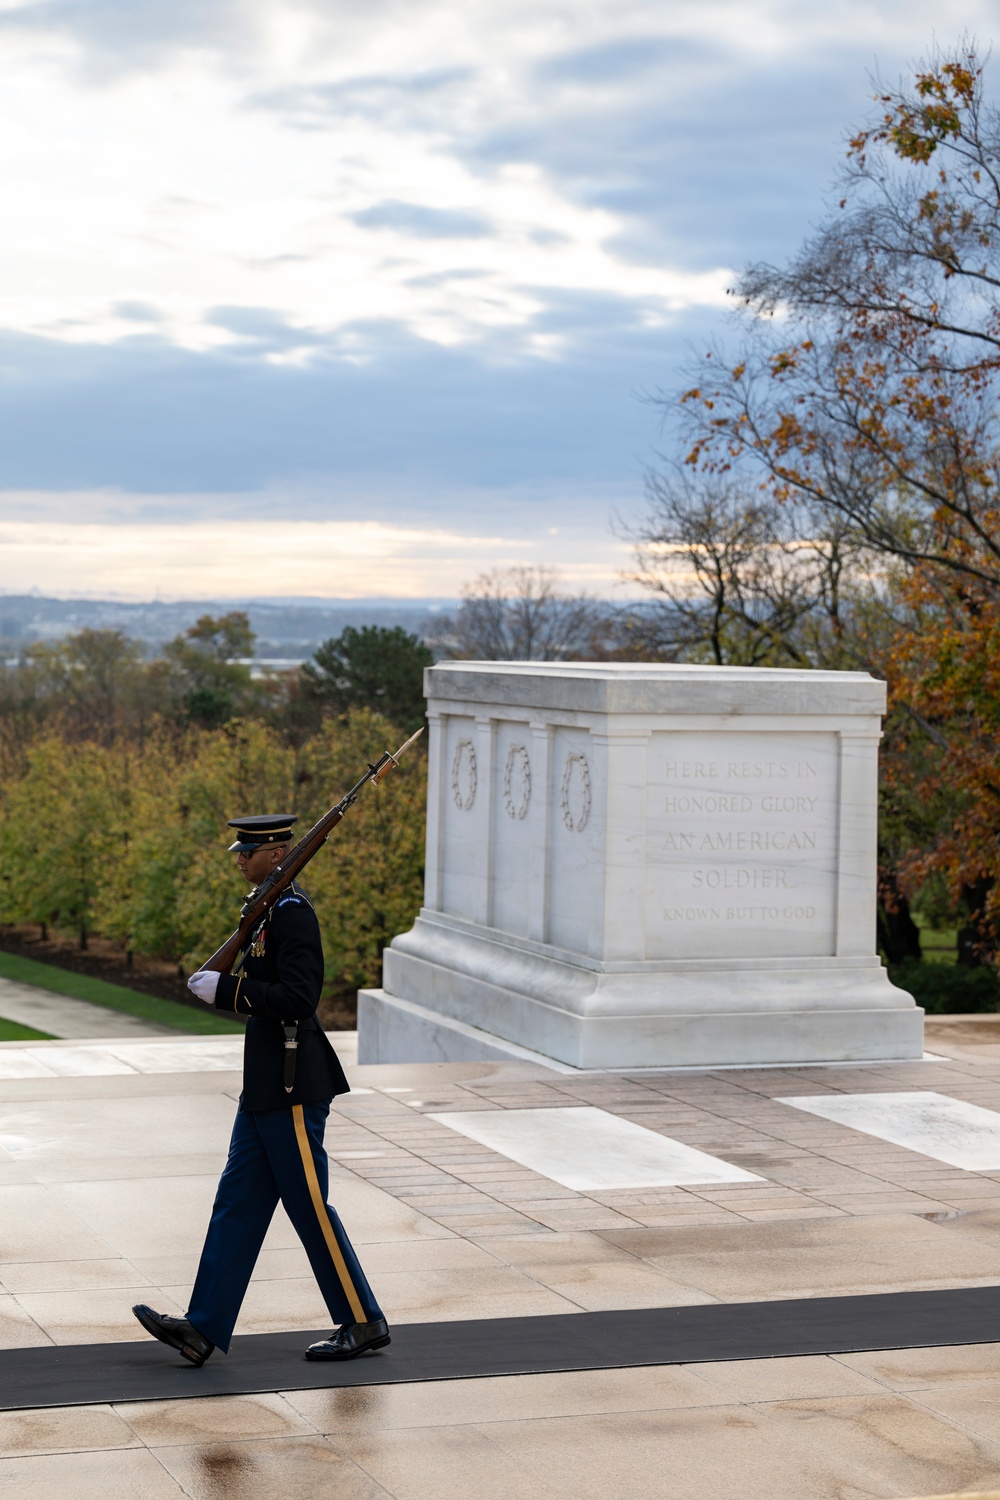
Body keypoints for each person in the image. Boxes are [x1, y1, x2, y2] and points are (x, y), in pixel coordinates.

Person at [132, 813, 389, 1367]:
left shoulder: (294, 915)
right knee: (238, 1204)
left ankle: (362, 1320)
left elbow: (299, 997)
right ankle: (203, 1327)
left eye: (247, 852)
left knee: (309, 1207)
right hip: (267, 1086)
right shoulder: (268, 910)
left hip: (293, 1085)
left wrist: (229, 991)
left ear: (277, 854)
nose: (238, 860)